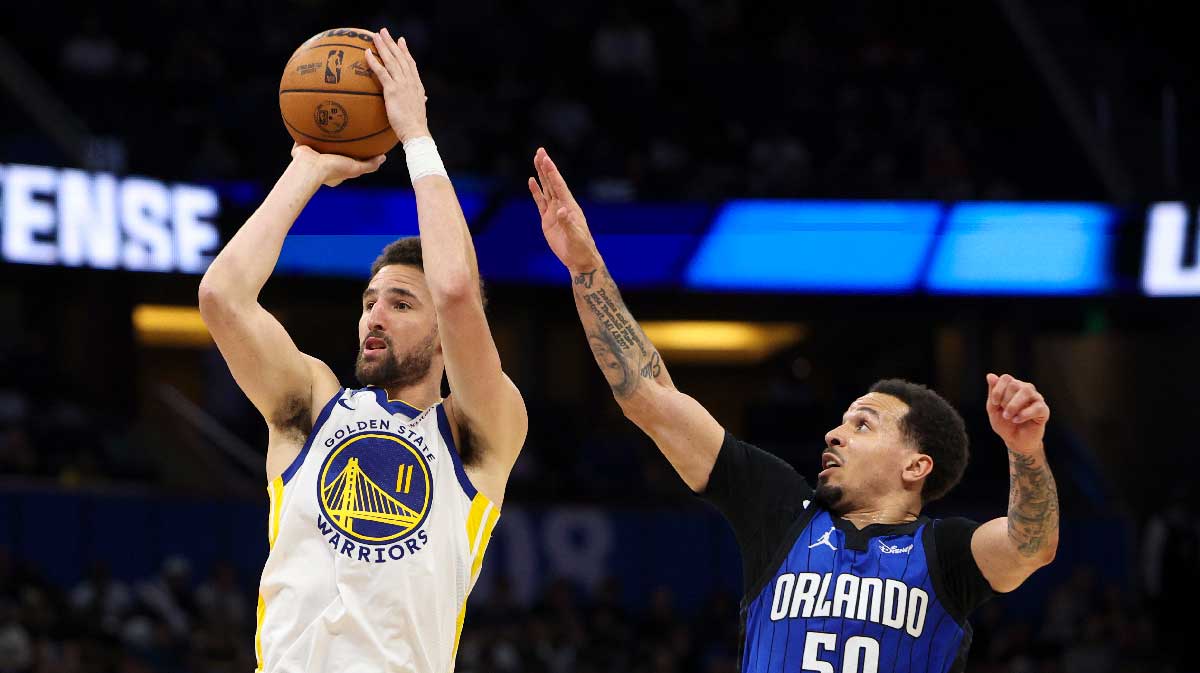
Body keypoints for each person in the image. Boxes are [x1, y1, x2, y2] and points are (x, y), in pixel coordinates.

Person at [527, 148, 1058, 672]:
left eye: (862, 424)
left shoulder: (947, 553)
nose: (834, 433)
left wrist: (1025, 449)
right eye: (844, 420)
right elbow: (648, 395)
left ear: (916, 465)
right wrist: (584, 265)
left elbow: (1029, 545)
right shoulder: (779, 511)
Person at [198, 29, 527, 673]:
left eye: (402, 304)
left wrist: (416, 139)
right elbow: (222, 298)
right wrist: (307, 170)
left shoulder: (477, 431)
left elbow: (458, 289)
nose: (375, 315)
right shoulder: (312, 405)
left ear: (443, 336)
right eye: (370, 301)